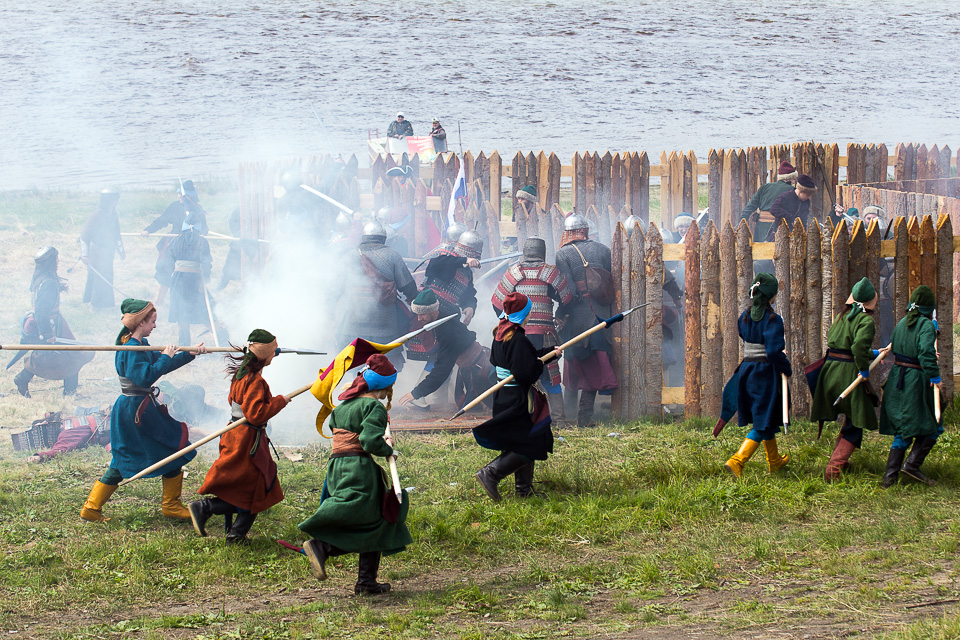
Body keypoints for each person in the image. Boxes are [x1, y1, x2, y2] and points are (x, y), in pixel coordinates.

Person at [80, 299, 207, 522]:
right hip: (133, 411)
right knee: (124, 460)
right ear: (141, 322)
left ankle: (171, 505)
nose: (155, 326)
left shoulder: (141, 344)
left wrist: (190, 354)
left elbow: (162, 366)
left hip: (142, 408)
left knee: (172, 450)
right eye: (152, 321)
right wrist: (166, 356)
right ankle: (91, 507)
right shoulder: (131, 349)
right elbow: (145, 377)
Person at [299, 354, 411, 594]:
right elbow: (369, 441)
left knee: (374, 520)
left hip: (337, 467)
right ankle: (323, 548)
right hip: (358, 468)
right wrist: (388, 449)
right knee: (375, 522)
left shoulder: (342, 408)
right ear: (384, 385)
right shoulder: (374, 407)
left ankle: (366, 582)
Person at [190, 330, 290, 543]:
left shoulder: (241, 374)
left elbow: (234, 402)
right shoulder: (255, 381)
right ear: (264, 354)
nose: (274, 356)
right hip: (246, 440)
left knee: (247, 486)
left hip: (236, 434)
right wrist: (280, 401)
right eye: (272, 352)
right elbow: (256, 414)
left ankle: (233, 532)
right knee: (257, 486)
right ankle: (209, 511)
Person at [474, 292, 561, 501]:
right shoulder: (517, 339)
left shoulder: (501, 333)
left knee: (521, 440)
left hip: (505, 397)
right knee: (530, 442)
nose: (530, 314)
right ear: (524, 314)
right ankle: (490, 473)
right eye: (529, 311)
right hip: (517, 399)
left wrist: (550, 353)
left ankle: (524, 491)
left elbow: (522, 359)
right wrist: (539, 364)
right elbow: (525, 373)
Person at [492, 238, 573, 418]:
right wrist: (560, 314)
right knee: (550, 376)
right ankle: (558, 419)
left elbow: (497, 303)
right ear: (542, 251)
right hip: (544, 334)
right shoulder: (551, 273)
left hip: (518, 336)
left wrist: (508, 322)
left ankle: (526, 417)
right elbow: (567, 299)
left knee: (520, 375)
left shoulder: (513, 273)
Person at [722, 274, 792, 478]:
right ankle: (737, 461)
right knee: (762, 421)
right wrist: (785, 366)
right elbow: (773, 352)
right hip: (764, 374)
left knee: (765, 415)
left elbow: (744, 335)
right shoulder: (773, 320)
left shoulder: (744, 317)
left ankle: (774, 461)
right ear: (771, 296)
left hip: (747, 370)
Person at [809, 278, 879, 482]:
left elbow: (845, 346)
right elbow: (857, 348)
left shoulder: (841, 317)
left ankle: (840, 461)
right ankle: (834, 469)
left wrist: (874, 353)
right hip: (847, 374)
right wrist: (864, 370)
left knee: (851, 417)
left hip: (830, 371)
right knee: (856, 421)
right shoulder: (866, 321)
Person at [554, 214, 617, 427]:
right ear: (585, 231)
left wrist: (561, 313)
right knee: (594, 367)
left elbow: (569, 291)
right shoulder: (603, 249)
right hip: (601, 316)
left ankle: (571, 414)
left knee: (575, 366)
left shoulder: (563, 254)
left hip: (577, 318)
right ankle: (584, 417)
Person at [878, 286, 942, 487]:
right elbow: (925, 353)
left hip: (898, 378)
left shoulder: (902, 323)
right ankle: (907, 468)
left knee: (906, 425)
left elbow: (904, 348)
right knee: (931, 423)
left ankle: (893, 476)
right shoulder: (926, 326)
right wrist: (935, 376)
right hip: (914, 382)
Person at [336, 219, 418, 370]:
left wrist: (328, 314)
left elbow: (335, 290)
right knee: (384, 367)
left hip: (355, 322)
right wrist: (417, 303)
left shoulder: (348, 257)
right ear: (383, 238)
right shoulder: (392, 256)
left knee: (358, 365)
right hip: (384, 325)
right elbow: (408, 287)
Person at [14, 247, 94, 398]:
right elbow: (41, 310)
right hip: (51, 325)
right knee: (70, 354)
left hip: (52, 323)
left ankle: (69, 391)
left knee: (61, 355)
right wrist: (47, 333)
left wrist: (59, 287)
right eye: (56, 259)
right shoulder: (48, 283)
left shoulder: (42, 279)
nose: (58, 261)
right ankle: (68, 392)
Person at [396, 290, 490, 411]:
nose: (419, 319)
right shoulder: (441, 315)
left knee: (492, 406)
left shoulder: (448, 331)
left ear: (433, 310)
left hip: (479, 370)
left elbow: (442, 370)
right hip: (470, 367)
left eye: (422, 314)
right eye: (417, 314)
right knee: (473, 407)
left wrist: (416, 393)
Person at [143, 180, 209, 305]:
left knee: (189, 274)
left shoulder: (197, 210)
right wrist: (148, 230)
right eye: (178, 194)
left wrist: (198, 234)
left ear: (190, 196)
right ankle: (159, 301)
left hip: (190, 247)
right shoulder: (174, 206)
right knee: (165, 271)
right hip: (173, 243)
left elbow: (204, 229)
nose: (179, 196)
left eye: (182, 194)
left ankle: (191, 303)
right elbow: (161, 221)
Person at [157, 212, 214, 346]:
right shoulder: (202, 241)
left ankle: (184, 347)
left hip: (179, 281)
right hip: (195, 280)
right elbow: (206, 263)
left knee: (184, 317)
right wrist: (204, 280)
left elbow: (168, 262)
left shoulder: (176, 240)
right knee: (204, 313)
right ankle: (222, 341)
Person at [420, 230, 482, 326]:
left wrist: (470, 306)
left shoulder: (467, 272)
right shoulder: (445, 256)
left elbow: (468, 294)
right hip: (428, 308)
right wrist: (464, 260)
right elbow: (436, 265)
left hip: (447, 313)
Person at [80, 188, 124, 309]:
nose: (116, 202)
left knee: (107, 277)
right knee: (98, 277)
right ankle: (95, 305)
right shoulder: (97, 215)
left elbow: (117, 235)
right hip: (97, 253)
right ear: (109, 200)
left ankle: (105, 304)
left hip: (108, 253)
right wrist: (85, 255)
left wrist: (121, 251)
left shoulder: (113, 214)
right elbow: (84, 237)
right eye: (115, 200)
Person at [740, 161, 798, 240]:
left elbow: (749, 207)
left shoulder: (764, 187)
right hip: (780, 229)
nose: (794, 182)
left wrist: (741, 223)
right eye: (794, 179)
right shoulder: (793, 190)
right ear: (789, 178)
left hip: (761, 229)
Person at [764, 174, 816, 241]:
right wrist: (791, 218)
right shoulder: (785, 196)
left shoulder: (806, 202)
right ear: (800, 191)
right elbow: (774, 209)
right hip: (780, 233)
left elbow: (804, 219)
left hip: (797, 236)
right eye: (807, 195)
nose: (809, 197)